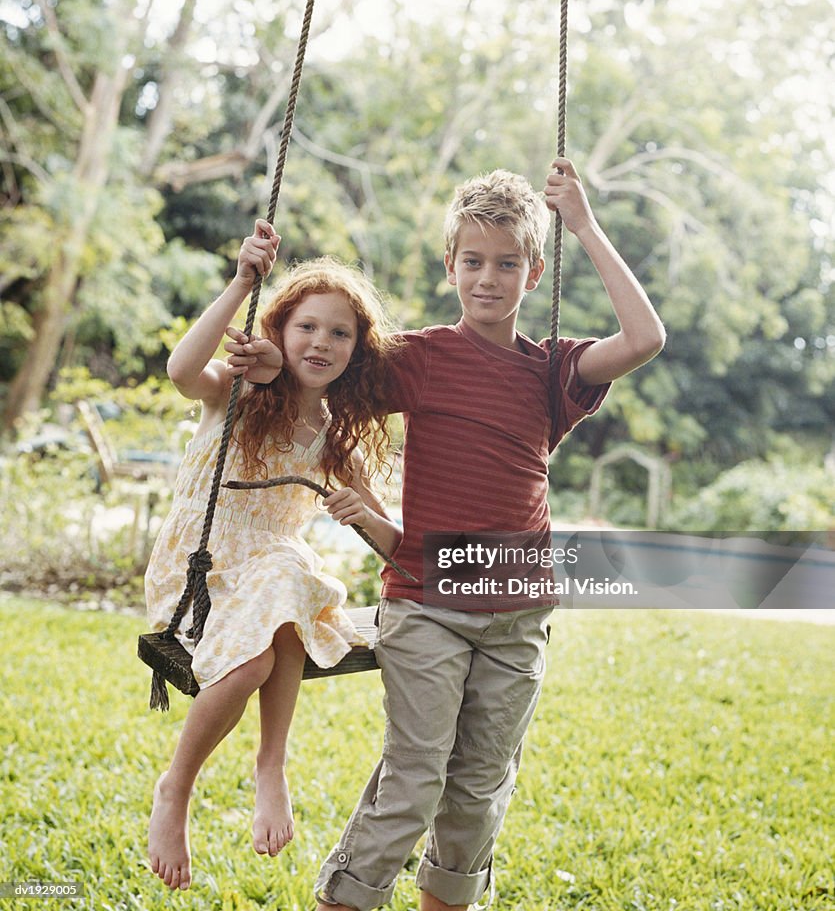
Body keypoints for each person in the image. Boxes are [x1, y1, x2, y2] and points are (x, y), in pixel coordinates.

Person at [313, 158, 666, 911]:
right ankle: (347, 898)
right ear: (450, 266)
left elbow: (643, 337)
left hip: (516, 616)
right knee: (413, 781)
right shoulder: (417, 358)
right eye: (472, 261)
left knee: (475, 794)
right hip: (426, 605)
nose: (488, 278)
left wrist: (585, 224)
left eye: (507, 264)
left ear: (533, 274)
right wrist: (380, 524)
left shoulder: (553, 372)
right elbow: (320, 388)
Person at [145, 220, 401, 891]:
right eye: (307, 327)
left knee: (287, 579)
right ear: (280, 331)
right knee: (274, 615)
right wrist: (241, 283)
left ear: (358, 349)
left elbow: (388, 536)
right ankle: (181, 785)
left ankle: (269, 767)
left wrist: (360, 514)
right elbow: (178, 371)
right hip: (198, 574)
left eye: (339, 332)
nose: (321, 342)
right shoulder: (239, 392)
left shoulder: (333, 437)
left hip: (273, 575)